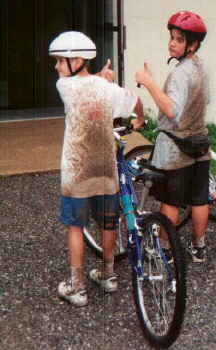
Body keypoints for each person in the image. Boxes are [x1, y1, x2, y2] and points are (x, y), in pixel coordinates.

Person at [49, 31, 144, 307]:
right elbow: (133, 100)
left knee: (75, 226)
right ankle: (109, 275)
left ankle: (77, 288)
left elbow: (84, 87)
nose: (56, 67)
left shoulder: (64, 86)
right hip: (105, 168)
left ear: (77, 60)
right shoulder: (107, 89)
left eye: (59, 61)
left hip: (77, 172)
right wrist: (139, 120)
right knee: (108, 222)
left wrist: (99, 78)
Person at [135, 11, 210, 263]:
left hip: (176, 146)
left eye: (179, 39)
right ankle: (199, 248)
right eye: (171, 37)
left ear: (193, 44)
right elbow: (206, 100)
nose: (172, 43)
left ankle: (164, 251)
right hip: (200, 142)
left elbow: (171, 110)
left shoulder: (180, 73)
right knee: (199, 199)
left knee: (170, 201)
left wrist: (148, 82)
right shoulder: (202, 68)